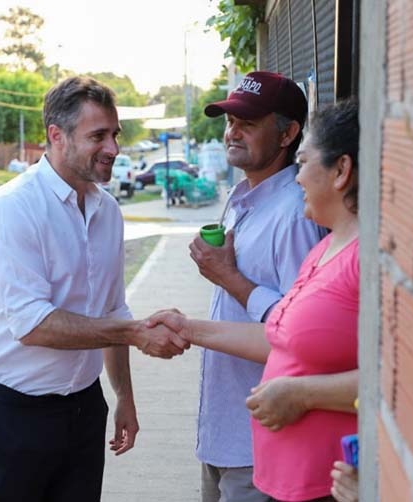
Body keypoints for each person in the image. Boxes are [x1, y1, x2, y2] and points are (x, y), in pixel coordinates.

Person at [0, 76, 188, 502]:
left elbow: (113, 309)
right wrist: (135, 333)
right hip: (13, 410)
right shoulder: (13, 207)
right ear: (56, 136)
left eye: (115, 134)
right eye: (98, 136)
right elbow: (33, 325)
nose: (114, 149)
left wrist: (123, 395)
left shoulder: (108, 211)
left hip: (84, 408)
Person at [150, 99, 360, 502]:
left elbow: (392, 380)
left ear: (341, 171)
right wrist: (189, 328)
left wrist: (301, 393)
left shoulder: (360, 257)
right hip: (274, 472)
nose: (297, 178)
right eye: (231, 122)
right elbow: (280, 336)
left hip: (316, 481)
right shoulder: (326, 249)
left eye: (303, 164)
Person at [191, 71, 326, 502]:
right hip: (225, 433)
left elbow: (301, 337)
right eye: (230, 121)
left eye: (248, 123)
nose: (233, 132)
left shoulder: (294, 215)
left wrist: (227, 277)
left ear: (287, 134)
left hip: (261, 446)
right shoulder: (242, 197)